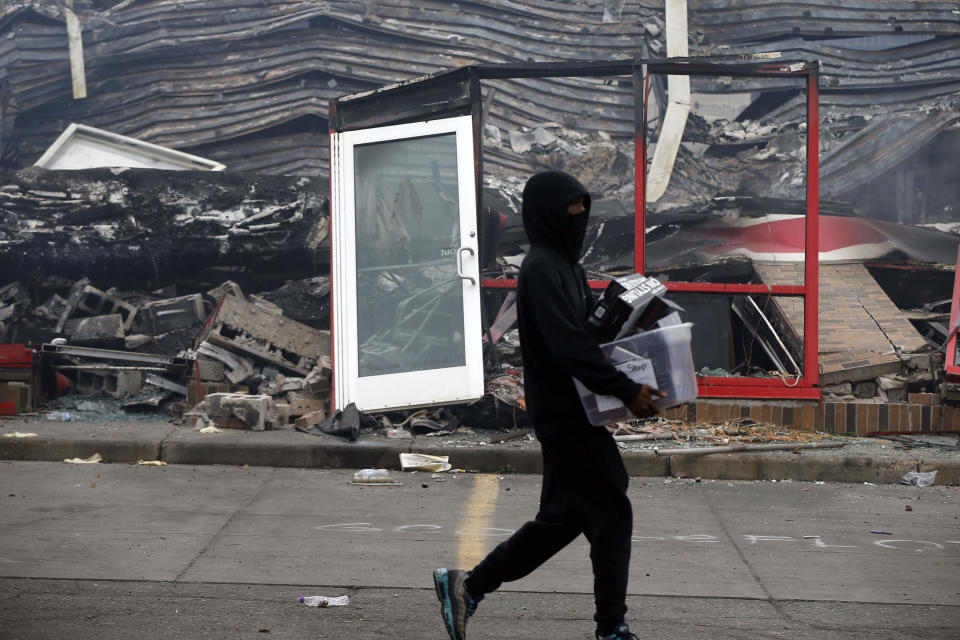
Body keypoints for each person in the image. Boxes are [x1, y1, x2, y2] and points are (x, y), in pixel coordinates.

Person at [433, 170, 665, 640]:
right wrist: (623, 388)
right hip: (562, 414)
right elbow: (565, 346)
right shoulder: (540, 269)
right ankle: (610, 630)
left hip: (577, 410)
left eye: (585, 209)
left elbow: (583, 336)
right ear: (546, 214)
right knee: (611, 508)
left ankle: (468, 585)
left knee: (564, 518)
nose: (580, 219)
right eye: (571, 210)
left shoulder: (569, 268)